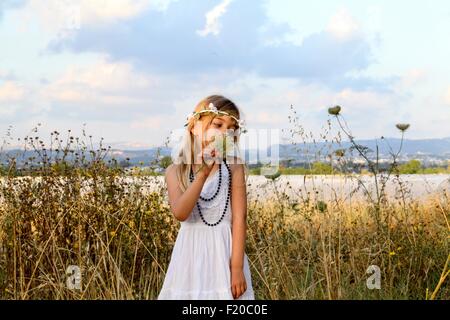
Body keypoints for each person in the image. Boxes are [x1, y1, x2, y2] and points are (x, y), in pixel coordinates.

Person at [158, 94, 255, 300]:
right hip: (189, 257)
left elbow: (239, 218)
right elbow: (181, 213)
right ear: (194, 127)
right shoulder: (175, 171)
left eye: (231, 130)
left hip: (224, 254)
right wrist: (202, 173)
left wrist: (236, 267)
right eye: (218, 125)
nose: (224, 134)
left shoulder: (234, 167)